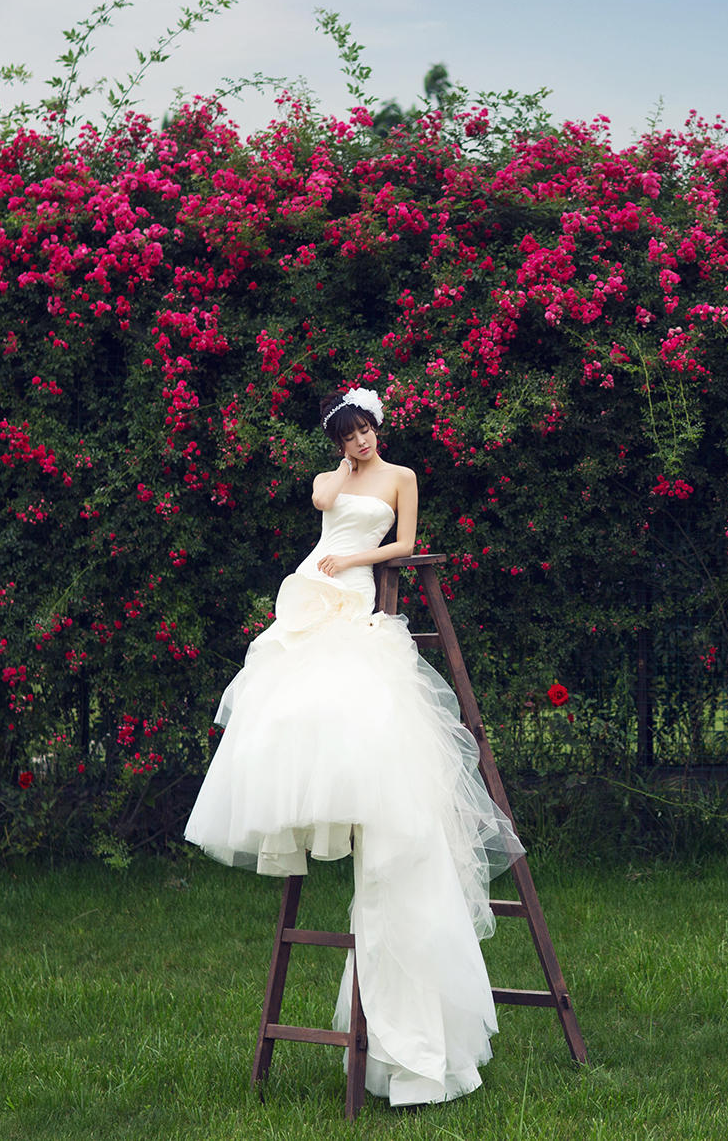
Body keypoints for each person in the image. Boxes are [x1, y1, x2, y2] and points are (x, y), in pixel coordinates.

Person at [185, 386, 523, 1106]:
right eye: (347, 434)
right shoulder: (328, 480)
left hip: (359, 577)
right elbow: (323, 510)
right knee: (288, 680)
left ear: (379, 428)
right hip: (316, 576)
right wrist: (338, 484)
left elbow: (402, 541)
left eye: (365, 431)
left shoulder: (401, 477)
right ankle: (310, 788)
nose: (359, 442)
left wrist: (358, 555)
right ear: (336, 438)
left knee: (355, 680)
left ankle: (352, 787)